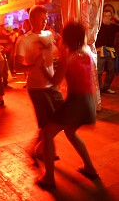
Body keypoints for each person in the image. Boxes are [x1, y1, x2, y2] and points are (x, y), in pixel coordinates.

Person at [37, 21, 98, 190]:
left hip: (76, 102)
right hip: (89, 102)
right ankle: (90, 168)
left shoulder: (68, 56)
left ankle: (49, 177)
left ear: (67, 38)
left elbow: (55, 82)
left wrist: (42, 68)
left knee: (48, 133)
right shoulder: (86, 54)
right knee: (70, 132)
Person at [15, 5, 61, 164]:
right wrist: (33, 66)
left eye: (46, 18)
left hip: (52, 84)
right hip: (37, 87)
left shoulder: (49, 35)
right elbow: (17, 66)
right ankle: (45, 150)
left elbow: (57, 52)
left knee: (58, 120)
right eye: (42, 18)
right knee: (47, 123)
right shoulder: (23, 40)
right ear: (32, 20)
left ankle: (40, 147)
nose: (45, 21)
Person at [95, 9, 119, 94]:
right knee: (99, 72)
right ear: (102, 17)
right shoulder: (98, 26)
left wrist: (117, 19)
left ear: (111, 17)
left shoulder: (113, 26)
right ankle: (99, 88)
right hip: (100, 50)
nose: (107, 18)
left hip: (111, 51)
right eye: (105, 16)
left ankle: (106, 87)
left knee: (111, 71)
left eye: (109, 16)